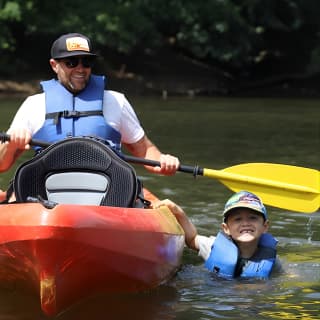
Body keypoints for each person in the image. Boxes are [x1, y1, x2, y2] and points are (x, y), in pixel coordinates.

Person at [0, 33, 179, 176]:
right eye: (71, 62)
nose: (80, 68)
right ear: (54, 65)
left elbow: (146, 151)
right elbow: (2, 165)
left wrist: (163, 161)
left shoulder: (116, 101)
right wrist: (12, 143)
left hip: (107, 192)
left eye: (86, 62)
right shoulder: (34, 105)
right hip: (47, 192)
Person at [153, 190, 282, 279]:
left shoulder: (272, 260)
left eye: (253, 218)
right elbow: (192, 239)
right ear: (226, 228)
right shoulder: (213, 246)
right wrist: (178, 212)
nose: (245, 223)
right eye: (238, 219)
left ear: (265, 227)